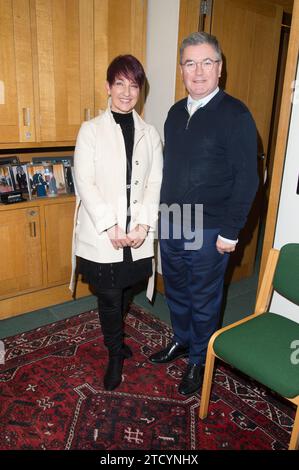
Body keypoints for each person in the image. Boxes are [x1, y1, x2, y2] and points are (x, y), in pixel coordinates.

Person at [149, 32, 259, 395]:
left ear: (220, 68)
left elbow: (247, 180)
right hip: (173, 218)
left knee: (204, 296)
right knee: (176, 289)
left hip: (208, 225)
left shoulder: (235, 114)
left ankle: (199, 357)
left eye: (206, 62)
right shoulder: (174, 112)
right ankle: (181, 339)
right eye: (190, 63)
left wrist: (231, 231)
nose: (198, 71)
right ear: (182, 69)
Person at [71, 55, 163, 391]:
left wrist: (142, 227)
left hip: (135, 233)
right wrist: (110, 225)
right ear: (108, 87)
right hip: (103, 233)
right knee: (109, 296)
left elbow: (155, 182)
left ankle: (116, 339)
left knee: (126, 292)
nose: (126, 92)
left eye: (134, 85)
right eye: (120, 83)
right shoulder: (91, 131)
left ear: (140, 90)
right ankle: (114, 354)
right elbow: (85, 181)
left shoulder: (150, 134)